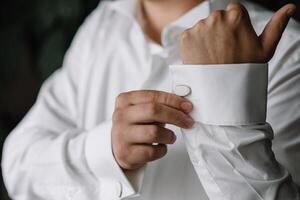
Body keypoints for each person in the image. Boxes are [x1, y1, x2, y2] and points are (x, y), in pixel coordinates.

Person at [2, 0, 300, 199]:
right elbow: (17, 164)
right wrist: (106, 152)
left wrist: (225, 86)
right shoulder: (102, 27)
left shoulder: (287, 50)